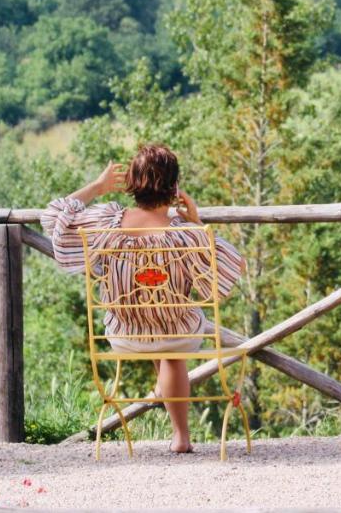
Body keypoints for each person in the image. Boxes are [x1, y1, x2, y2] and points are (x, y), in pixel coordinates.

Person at [41, 144, 243, 454]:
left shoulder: (108, 222)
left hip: (125, 333)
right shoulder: (185, 234)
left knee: (153, 322)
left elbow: (53, 216)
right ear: (174, 187)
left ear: (132, 183)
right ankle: (181, 437)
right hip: (177, 333)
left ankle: (167, 396)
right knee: (172, 339)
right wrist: (197, 223)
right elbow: (232, 268)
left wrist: (97, 186)